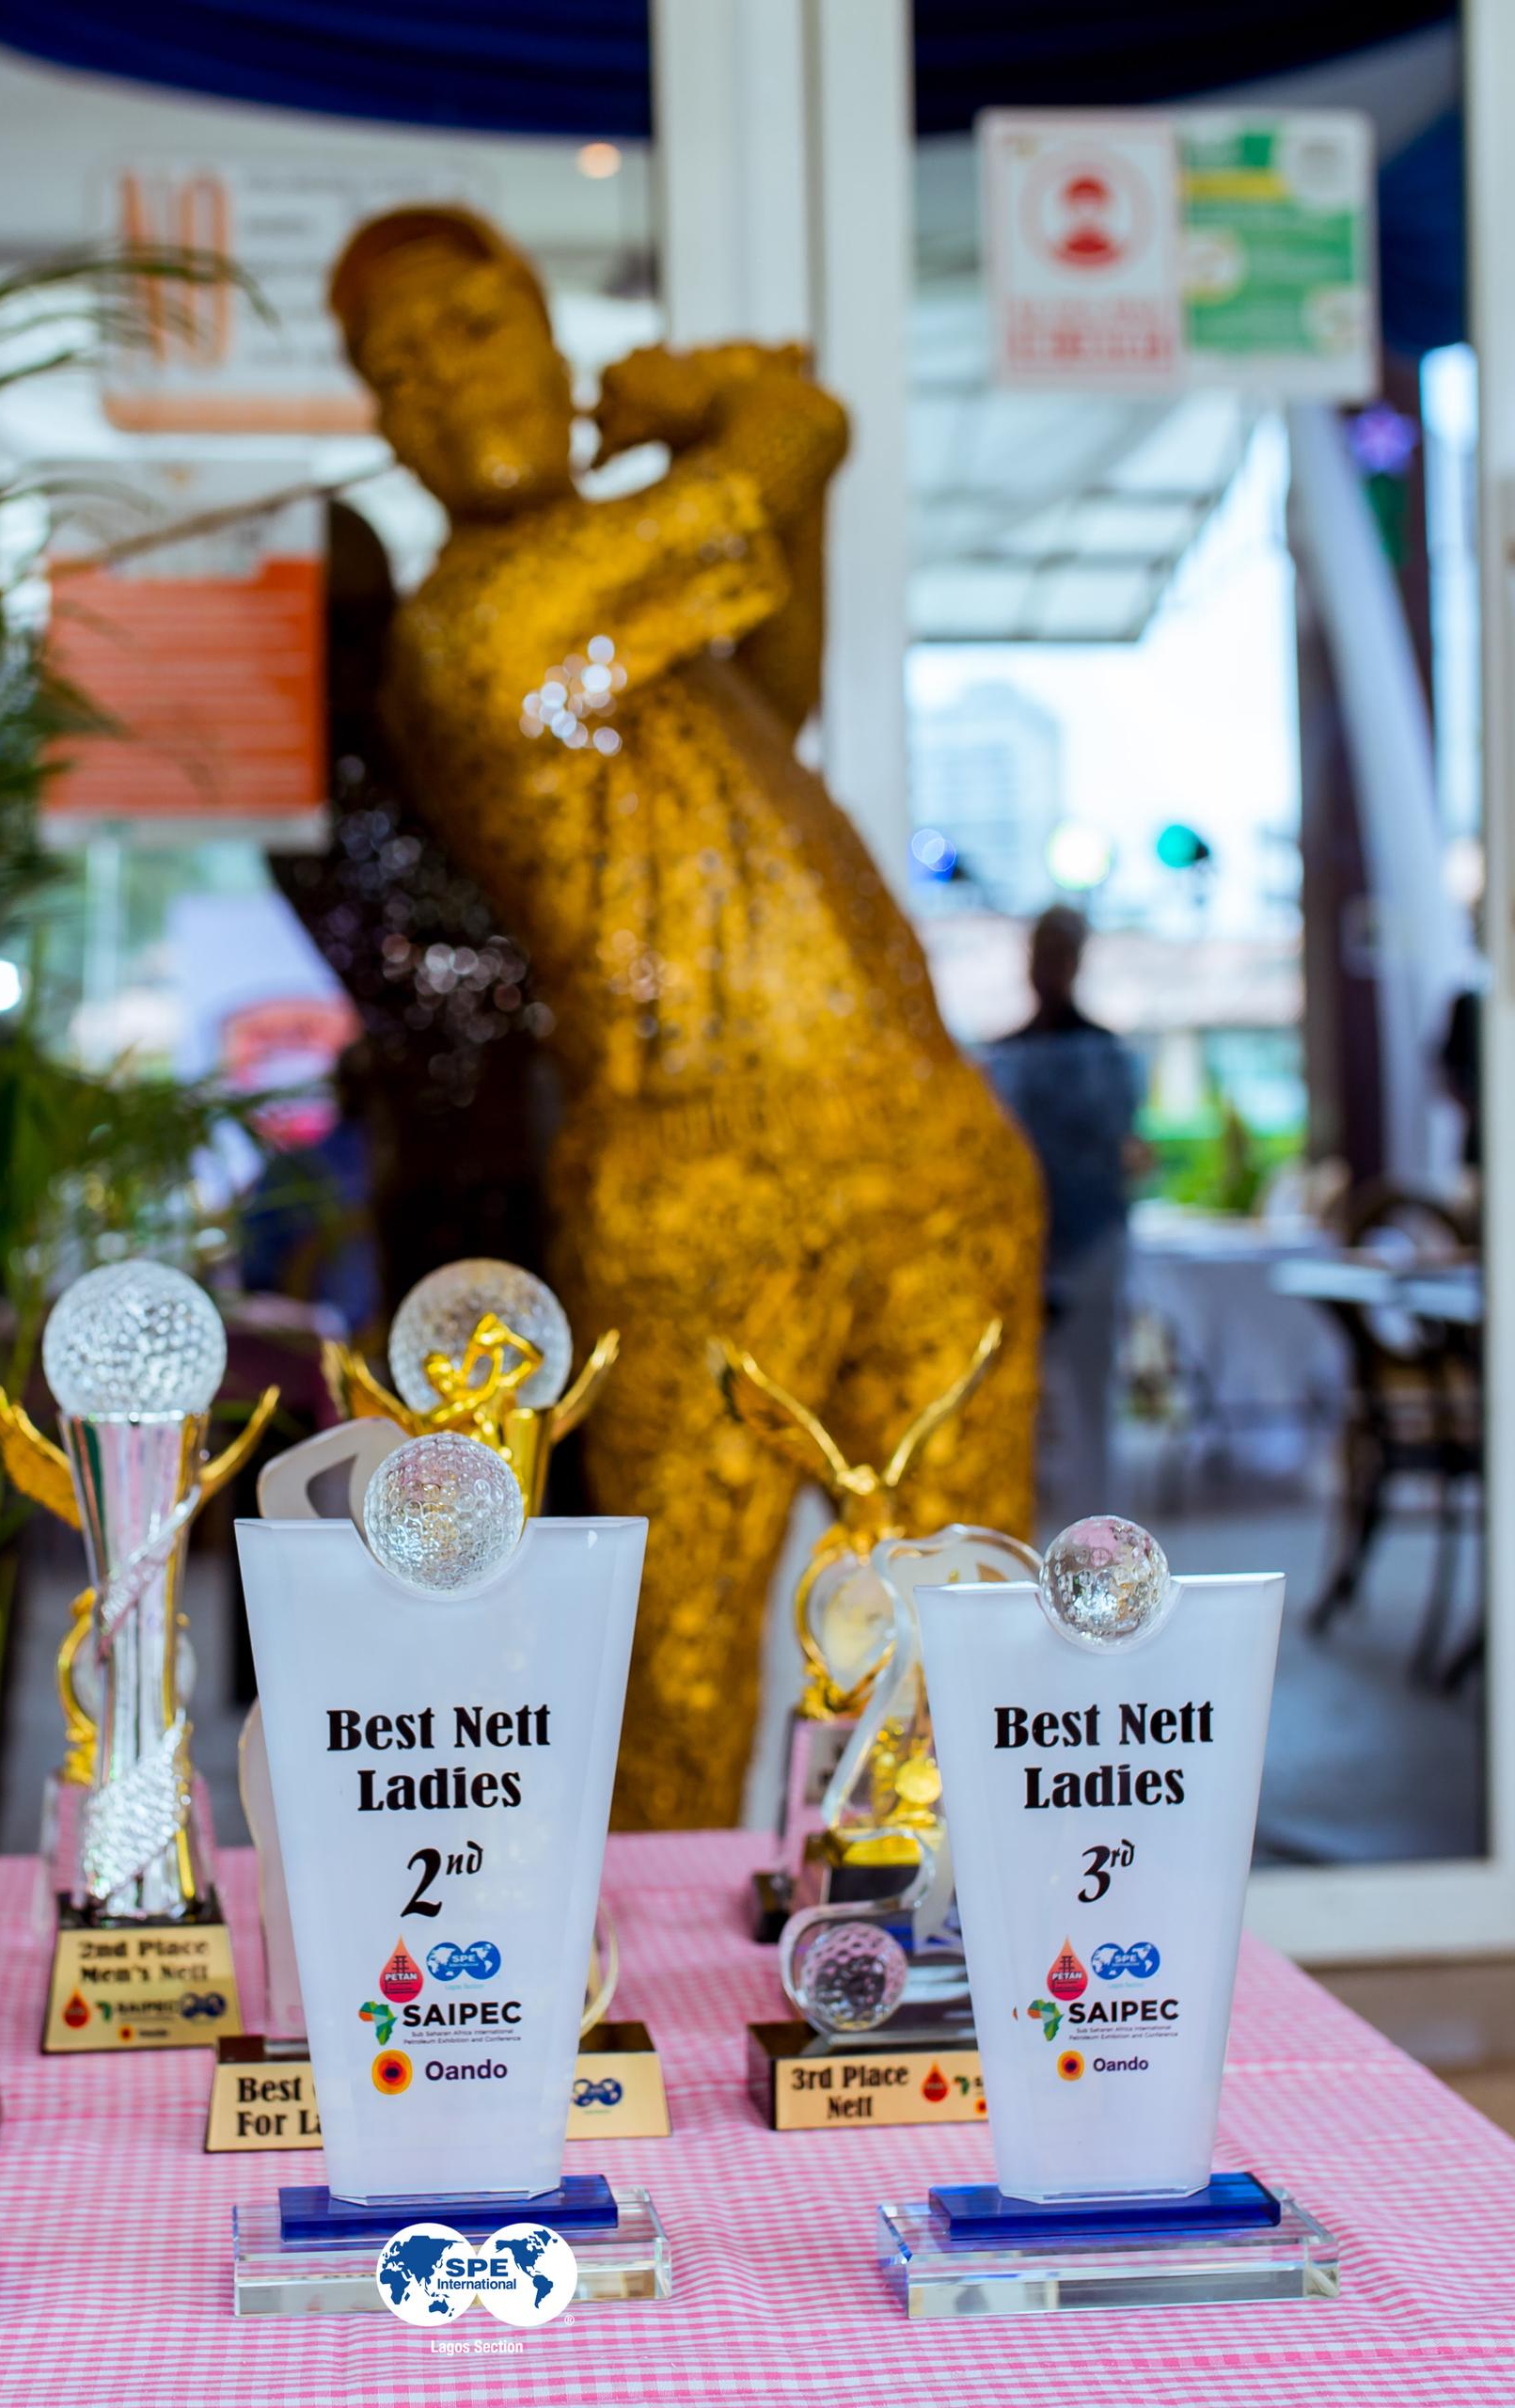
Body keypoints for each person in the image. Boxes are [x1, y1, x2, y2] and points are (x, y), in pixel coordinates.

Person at [326, 206, 1042, 1830]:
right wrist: (717, 402)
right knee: (682, 1670)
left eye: (475, 328)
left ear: (547, 338)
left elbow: (771, 673)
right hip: (701, 1174)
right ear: (383, 429)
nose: (444, 384)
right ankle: (651, 1970)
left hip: (926, 1141)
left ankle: (929, 1947)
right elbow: (795, 440)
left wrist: (741, 439)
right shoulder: (473, 630)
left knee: (955, 1629)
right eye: (397, 371)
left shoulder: (637, 632)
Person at [986, 906, 1145, 1527]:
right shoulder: (1004, 1057)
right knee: (1014, 1405)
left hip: (1091, 1248)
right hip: (1023, 1254)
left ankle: (1095, 1539)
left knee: (1087, 1400)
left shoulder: (1103, 1056)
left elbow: (1117, 1151)